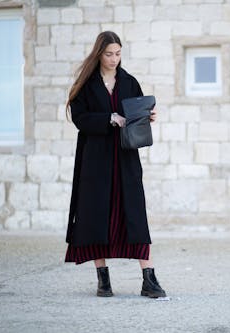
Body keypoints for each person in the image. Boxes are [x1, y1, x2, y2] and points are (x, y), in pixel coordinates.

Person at [64, 31, 166, 298]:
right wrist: (109, 117)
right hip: (95, 160)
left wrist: (148, 117)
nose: (114, 58)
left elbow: (138, 112)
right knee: (97, 215)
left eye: (118, 53)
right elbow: (80, 119)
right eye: (109, 54)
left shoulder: (129, 82)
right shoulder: (86, 84)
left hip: (125, 158)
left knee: (134, 214)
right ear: (99, 53)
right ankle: (103, 280)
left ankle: (149, 280)